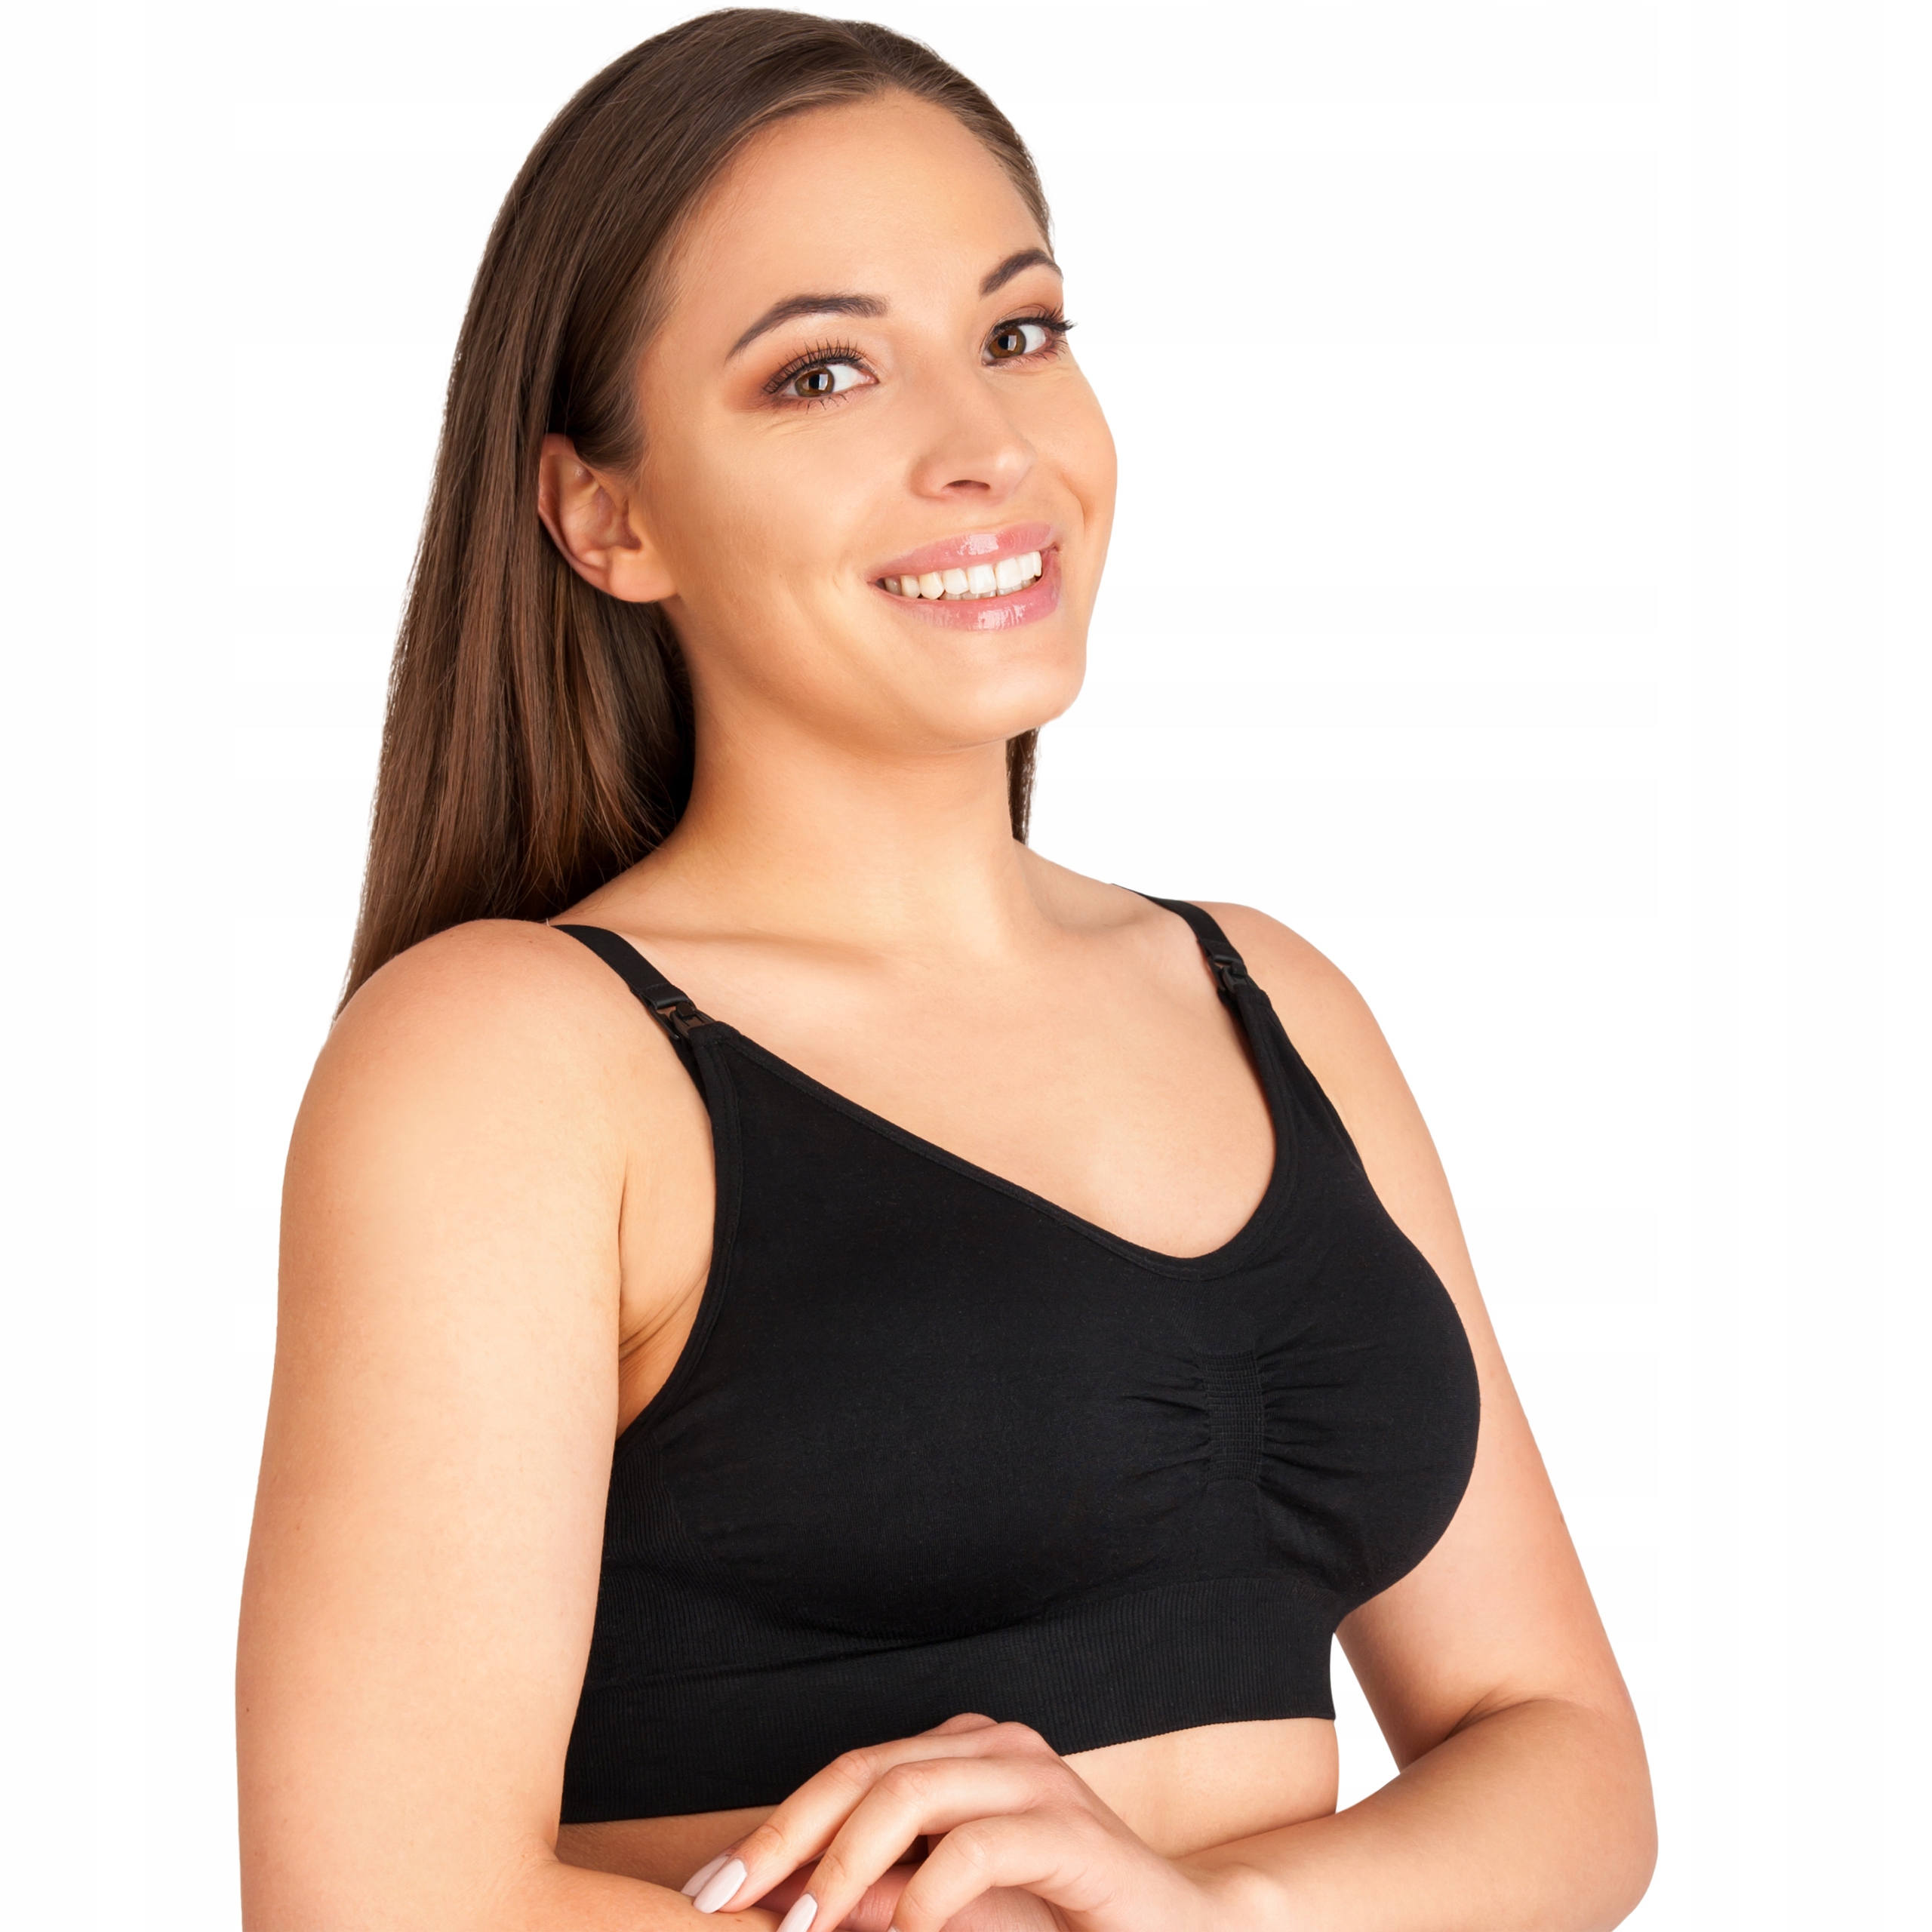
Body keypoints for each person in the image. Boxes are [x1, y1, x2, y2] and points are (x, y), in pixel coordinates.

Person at [235, 11, 1656, 1929]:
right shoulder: (518, 1057)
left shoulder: (1268, 996)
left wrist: (1207, 1913)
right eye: (821, 371)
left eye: (1019, 331)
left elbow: (1560, 1748)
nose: (986, 447)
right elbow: (375, 1899)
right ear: (606, 515)